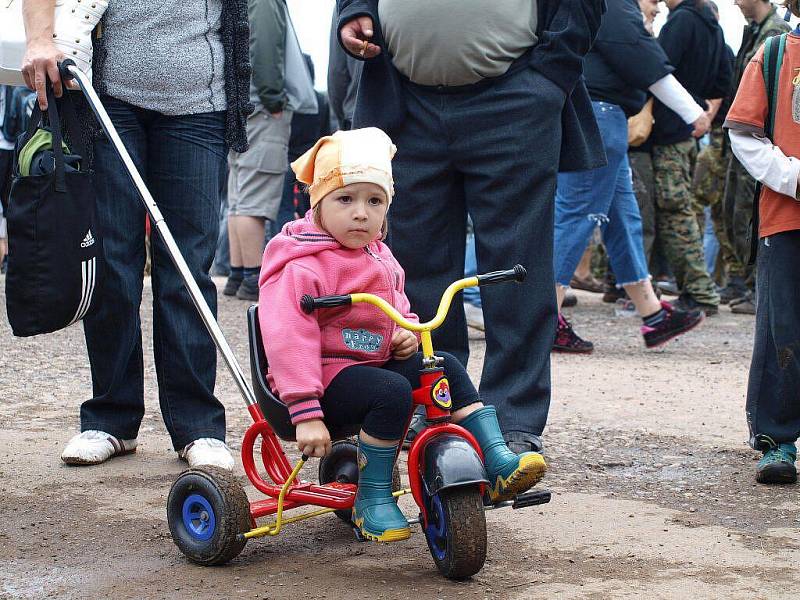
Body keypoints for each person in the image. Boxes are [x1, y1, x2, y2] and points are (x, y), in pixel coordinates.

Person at [336, 0, 607, 455]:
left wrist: (548, 78)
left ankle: (511, 420)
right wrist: (355, 10)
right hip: (405, 99)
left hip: (515, 95)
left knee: (516, 268)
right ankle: (432, 402)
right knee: (410, 269)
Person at [257, 127, 546, 541]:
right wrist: (305, 411)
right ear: (317, 205)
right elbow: (288, 338)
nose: (361, 213)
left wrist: (401, 331)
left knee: (442, 364)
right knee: (389, 390)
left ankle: (496, 459)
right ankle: (372, 498)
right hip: (319, 380)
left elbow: (395, 304)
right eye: (346, 199)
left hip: (371, 365)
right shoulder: (302, 265)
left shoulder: (378, 252)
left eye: (374, 201)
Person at [21, 0, 254, 468]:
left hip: (201, 104)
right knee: (112, 260)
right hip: (106, 94)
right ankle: (110, 418)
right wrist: (39, 38)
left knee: (188, 268)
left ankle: (197, 425)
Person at [552, 0, 708, 354]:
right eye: (651, 2)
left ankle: (653, 315)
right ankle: (545, 318)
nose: (655, 5)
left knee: (622, 216)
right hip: (600, 116)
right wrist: (691, 111)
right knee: (579, 213)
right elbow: (638, 54)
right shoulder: (614, 4)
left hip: (601, 116)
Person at [725, 1, 800, 483]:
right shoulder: (775, 54)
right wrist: (793, 177)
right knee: (782, 330)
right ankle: (777, 439)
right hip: (785, 217)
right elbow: (744, 133)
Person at [224, 0, 311, 302]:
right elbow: (264, 44)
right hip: (261, 107)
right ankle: (252, 277)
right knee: (255, 195)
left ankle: (238, 274)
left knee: (240, 194)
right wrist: (273, 98)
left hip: (241, 105)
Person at [651, 0, 732, 316]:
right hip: (689, 133)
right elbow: (723, 78)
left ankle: (699, 293)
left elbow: (655, 70)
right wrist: (704, 116)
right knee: (683, 210)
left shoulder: (680, 22)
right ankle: (695, 289)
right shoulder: (712, 25)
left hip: (667, 132)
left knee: (675, 212)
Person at [720, 0, 790, 314]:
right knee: (734, 214)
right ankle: (748, 285)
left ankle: (753, 287)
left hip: (774, 160)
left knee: (747, 217)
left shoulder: (776, 37)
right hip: (753, 145)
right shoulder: (757, 34)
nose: (735, 2)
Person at [327, 5, 362, 131]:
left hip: (357, 114)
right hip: (414, 111)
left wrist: (342, 119)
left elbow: (337, 72)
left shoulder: (345, 5)